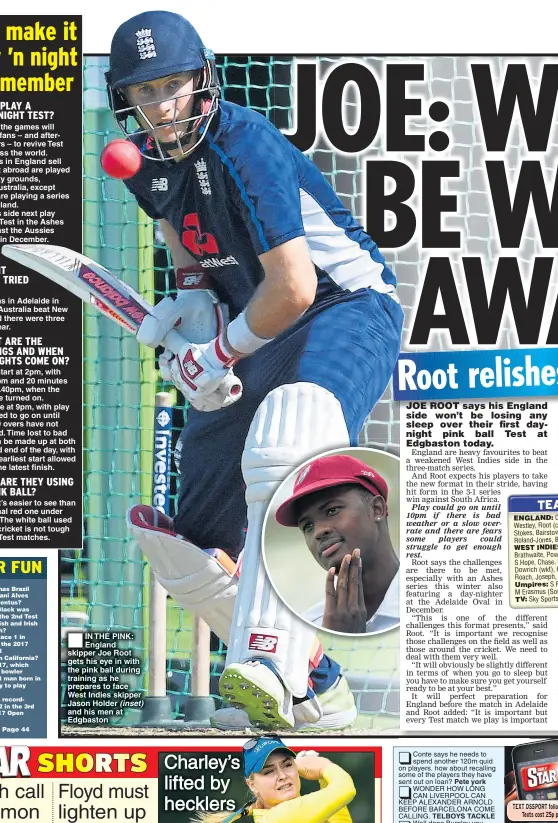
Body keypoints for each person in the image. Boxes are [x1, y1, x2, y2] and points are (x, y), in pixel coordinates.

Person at [110, 11, 403, 731]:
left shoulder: (250, 146)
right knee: (186, 545)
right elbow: (177, 223)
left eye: (175, 85)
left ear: (204, 78)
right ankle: (314, 683)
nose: (163, 108)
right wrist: (191, 300)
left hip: (346, 307)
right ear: (128, 99)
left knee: (287, 432)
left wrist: (220, 350)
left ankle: (267, 662)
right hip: (256, 324)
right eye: (146, 93)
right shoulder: (141, 160)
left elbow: (297, 287)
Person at [274, 454, 399, 634]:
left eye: (332, 510)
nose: (318, 532)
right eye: (307, 526)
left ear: (376, 509)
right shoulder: (303, 628)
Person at [195, 736, 355, 823]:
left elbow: (339, 813)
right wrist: (323, 766)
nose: (282, 776)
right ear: (252, 785)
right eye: (268, 772)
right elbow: (345, 789)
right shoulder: (277, 818)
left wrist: (322, 777)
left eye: (287, 765)